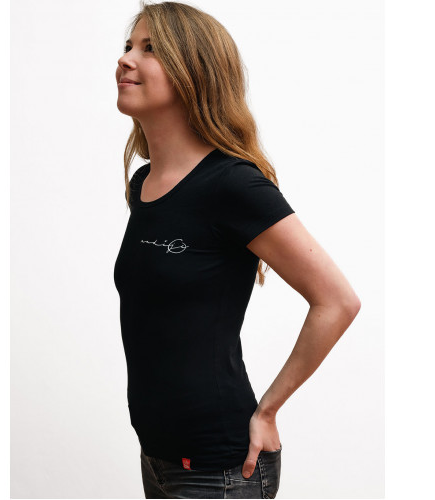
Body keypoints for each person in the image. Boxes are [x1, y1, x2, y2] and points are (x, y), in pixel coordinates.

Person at [113, 2, 361, 498]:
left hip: (220, 470)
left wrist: (268, 409)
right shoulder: (144, 183)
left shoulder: (233, 185)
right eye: (127, 45)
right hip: (157, 457)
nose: (125, 59)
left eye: (150, 49)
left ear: (194, 72)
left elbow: (337, 301)